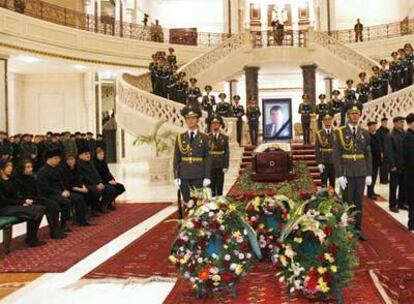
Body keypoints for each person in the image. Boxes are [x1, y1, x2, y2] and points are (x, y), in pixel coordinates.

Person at [333, 102, 372, 241]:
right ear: (347, 115)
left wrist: (369, 173)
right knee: (347, 201)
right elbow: (336, 155)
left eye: (357, 114)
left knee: (358, 202)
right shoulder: (340, 132)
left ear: (360, 115)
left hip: (360, 171)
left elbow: (368, 154)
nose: (354, 116)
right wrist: (339, 175)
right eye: (351, 114)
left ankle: (357, 230)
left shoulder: (365, 133)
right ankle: (347, 229)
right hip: (347, 171)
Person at [13, 160, 66, 238]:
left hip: (34, 198)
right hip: (25, 200)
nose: (30, 169)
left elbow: (36, 191)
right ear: (22, 169)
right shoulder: (17, 179)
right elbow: (19, 195)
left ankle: (55, 230)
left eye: (31, 167)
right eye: (27, 167)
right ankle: (32, 237)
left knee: (53, 204)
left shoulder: (31, 178)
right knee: (45, 207)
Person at [0, 159, 45, 247]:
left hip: (12, 205)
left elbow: (15, 195)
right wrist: (21, 202)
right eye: (7, 166)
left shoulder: (10, 179)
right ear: (1, 169)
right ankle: (31, 239)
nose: (10, 168)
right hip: (3, 208)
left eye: (11, 166)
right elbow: (3, 200)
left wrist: (23, 201)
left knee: (40, 208)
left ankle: (31, 237)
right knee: (35, 212)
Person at [173, 104, 211, 204]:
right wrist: (176, 177)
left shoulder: (205, 138)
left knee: (199, 203)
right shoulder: (180, 138)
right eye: (188, 118)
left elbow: (207, 158)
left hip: (199, 175)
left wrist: (207, 176)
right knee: (187, 203)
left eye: (193, 118)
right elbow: (176, 159)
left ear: (198, 120)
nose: (190, 121)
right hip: (184, 175)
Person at [36, 149, 73, 232]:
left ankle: (63, 224)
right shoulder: (43, 171)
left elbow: (61, 182)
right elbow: (45, 188)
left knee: (68, 201)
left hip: (57, 193)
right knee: (61, 203)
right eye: (56, 158)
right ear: (49, 159)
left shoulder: (56, 169)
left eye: (59, 158)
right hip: (47, 195)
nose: (58, 160)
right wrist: (60, 193)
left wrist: (65, 190)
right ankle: (55, 228)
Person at [77, 147, 118, 211]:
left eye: (89, 154)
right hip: (87, 185)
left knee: (112, 190)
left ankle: (102, 205)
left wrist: (100, 182)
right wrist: (95, 185)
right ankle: (93, 209)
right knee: (96, 191)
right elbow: (84, 178)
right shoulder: (78, 165)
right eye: (86, 154)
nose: (88, 155)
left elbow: (97, 174)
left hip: (96, 184)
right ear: (80, 156)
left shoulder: (90, 163)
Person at [384, 116, 406, 213]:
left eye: (403, 122)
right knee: (393, 186)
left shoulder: (404, 134)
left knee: (403, 185)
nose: (402, 124)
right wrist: (392, 165)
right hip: (395, 165)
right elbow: (389, 152)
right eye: (401, 122)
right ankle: (392, 204)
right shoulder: (390, 135)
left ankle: (401, 203)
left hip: (404, 165)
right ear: (395, 123)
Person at [208, 114, 229, 197]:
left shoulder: (224, 138)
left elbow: (226, 152)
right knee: (211, 186)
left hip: (220, 165)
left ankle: (219, 202)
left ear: (220, 125)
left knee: (219, 185)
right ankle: (212, 204)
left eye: (217, 123)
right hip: (210, 165)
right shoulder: (207, 137)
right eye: (213, 123)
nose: (215, 125)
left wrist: (225, 166)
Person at [315, 113, 335, 188]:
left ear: (332, 121)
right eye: (326, 120)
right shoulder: (319, 134)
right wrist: (319, 163)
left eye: (329, 119)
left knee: (332, 182)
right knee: (323, 182)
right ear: (323, 121)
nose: (328, 121)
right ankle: (324, 199)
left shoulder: (336, 133)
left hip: (333, 162)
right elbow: (317, 149)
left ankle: (332, 198)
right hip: (324, 161)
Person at [402, 113, 414, 230]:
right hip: (411, 173)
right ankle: (412, 222)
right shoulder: (408, 137)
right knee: (412, 198)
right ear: (410, 123)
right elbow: (410, 157)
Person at [366, 121, 381, 200]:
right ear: (369, 127)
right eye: (373, 126)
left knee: (375, 177)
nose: (374, 127)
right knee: (370, 177)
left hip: (377, 160)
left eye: (375, 125)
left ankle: (372, 191)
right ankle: (369, 193)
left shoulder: (376, 135)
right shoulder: (367, 136)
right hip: (370, 160)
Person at [376, 117, 390, 184]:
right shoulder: (379, 131)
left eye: (386, 122)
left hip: (387, 150)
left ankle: (386, 178)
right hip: (382, 150)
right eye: (384, 122)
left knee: (387, 165)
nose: (385, 123)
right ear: (382, 122)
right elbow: (379, 142)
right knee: (382, 166)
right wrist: (381, 151)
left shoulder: (387, 130)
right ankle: (382, 179)